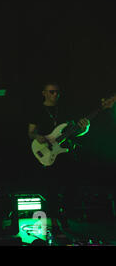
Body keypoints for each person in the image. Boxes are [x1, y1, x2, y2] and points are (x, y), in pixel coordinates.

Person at [27, 81, 90, 237]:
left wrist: (85, 128)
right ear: (44, 93)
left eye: (57, 92)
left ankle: (63, 212)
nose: (55, 94)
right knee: (52, 189)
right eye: (51, 92)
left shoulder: (66, 109)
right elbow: (30, 133)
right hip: (47, 152)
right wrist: (37, 137)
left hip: (65, 153)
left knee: (73, 186)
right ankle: (54, 222)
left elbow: (76, 132)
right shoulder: (37, 110)